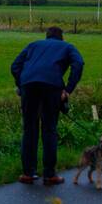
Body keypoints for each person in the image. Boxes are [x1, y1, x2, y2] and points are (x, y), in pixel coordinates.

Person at [11, 26, 84, 186]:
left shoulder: (33, 45)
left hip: (29, 86)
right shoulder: (67, 47)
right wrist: (68, 90)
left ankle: (28, 173)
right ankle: (49, 175)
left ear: (46, 37)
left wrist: (21, 84)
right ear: (62, 37)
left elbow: (15, 66)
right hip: (52, 87)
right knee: (49, 128)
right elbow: (78, 63)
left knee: (29, 129)